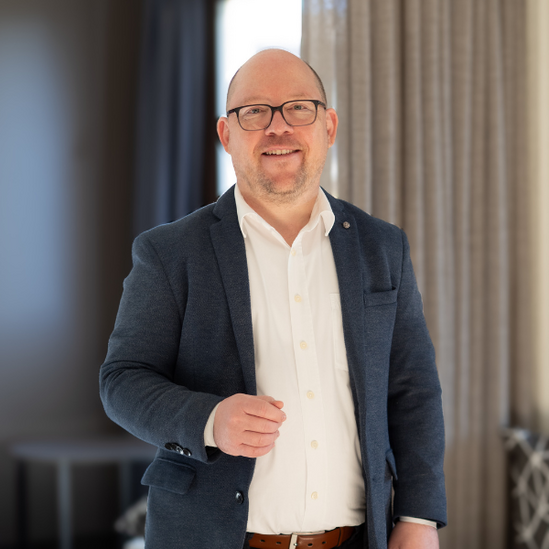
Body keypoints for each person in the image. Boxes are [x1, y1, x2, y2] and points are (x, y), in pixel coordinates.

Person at [100, 49, 446, 549]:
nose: (278, 127)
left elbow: (414, 389)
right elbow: (122, 381)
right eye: (255, 111)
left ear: (328, 126)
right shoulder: (169, 252)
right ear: (226, 135)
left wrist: (419, 516)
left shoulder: (383, 247)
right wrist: (210, 421)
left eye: (299, 108)